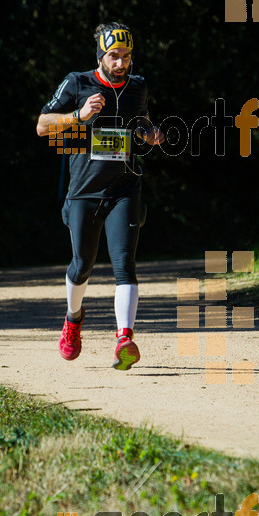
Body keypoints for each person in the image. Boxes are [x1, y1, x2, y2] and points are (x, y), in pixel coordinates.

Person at [36, 21, 164, 370]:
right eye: (113, 56)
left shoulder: (138, 86)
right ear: (101, 55)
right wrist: (79, 115)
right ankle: (73, 319)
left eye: (126, 56)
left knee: (125, 265)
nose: (121, 63)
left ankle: (125, 338)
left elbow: (140, 120)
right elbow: (43, 126)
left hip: (125, 187)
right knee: (83, 266)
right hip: (83, 192)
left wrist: (148, 132)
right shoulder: (78, 82)